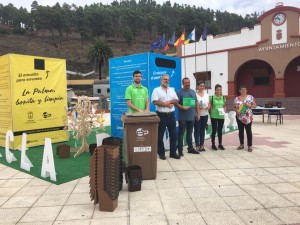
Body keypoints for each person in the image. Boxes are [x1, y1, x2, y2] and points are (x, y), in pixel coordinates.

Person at [151, 74, 180, 160]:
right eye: (165, 79)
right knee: (160, 136)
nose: (167, 81)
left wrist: (170, 101)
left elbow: (177, 100)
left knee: (173, 135)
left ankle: (173, 153)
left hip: (171, 115)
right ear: (161, 80)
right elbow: (155, 101)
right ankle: (161, 153)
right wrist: (164, 104)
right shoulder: (156, 90)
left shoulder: (172, 90)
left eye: (168, 79)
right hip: (161, 115)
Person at [176, 77, 200, 156]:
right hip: (182, 117)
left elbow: (196, 103)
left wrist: (198, 113)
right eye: (186, 83)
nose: (188, 84)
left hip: (191, 116)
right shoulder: (179, 92)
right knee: (181, 133)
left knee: (190, 133)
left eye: (189, 82)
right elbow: (176, 104)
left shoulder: (193, 92)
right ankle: (180, 150)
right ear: (183, 84)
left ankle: (190, 148)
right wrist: (183, 107)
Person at [233, 85, 256, 152]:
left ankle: (249, 146)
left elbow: (255, 105)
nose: (243, 91)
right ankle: (241, 144)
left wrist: (249, 105)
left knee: (249, 132)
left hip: (248, 117)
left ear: (246, 91)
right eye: (242, 90)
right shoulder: (236, 98)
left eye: (244, 90)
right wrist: (236, 110)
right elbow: (234, 107)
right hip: (239, 117)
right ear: (239, 91)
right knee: (240, 132)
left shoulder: (250, 97)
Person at [194, 81, 210, 152]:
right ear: (197, 87)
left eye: (203, 86)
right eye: (201, 85)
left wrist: (208, 107)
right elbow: (193, 104)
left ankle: (202, 145)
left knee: (202, 130)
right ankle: (197, 145)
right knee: (197, 130)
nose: (202, 87)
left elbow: (209, 103)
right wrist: (197, 107)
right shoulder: (195, 95)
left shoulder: (206, 94)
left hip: (205, 114)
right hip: (197, 115)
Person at [209, 84, 226, 150]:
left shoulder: (223, 98)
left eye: (220, 90)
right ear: (215, 90)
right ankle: (213, 144)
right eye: (217, 90)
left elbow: (224, 106)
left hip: (221, 116)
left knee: (220, 130)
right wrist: (210, 113)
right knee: (214, 130)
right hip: (214, 116)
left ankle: (220, 144)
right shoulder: (212, 98)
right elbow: (210, 107)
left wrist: (225, 108)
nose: (219, 91)